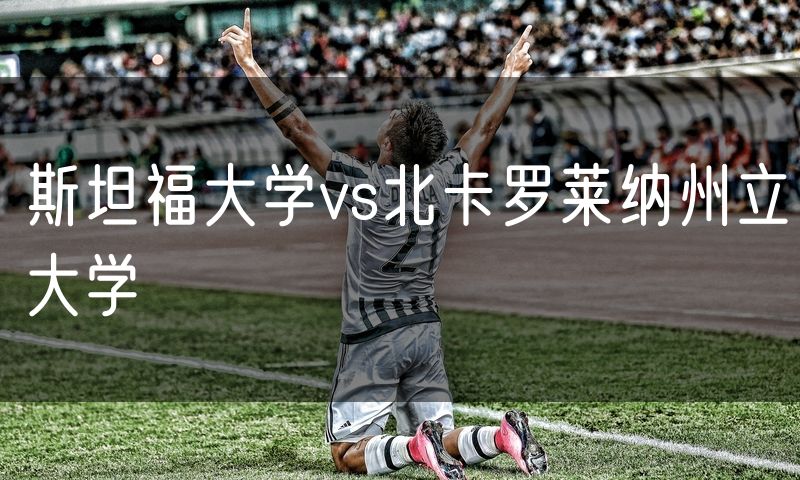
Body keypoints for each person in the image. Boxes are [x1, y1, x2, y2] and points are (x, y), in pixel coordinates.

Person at [220, 9, 547, 480]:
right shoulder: (444, 181)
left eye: (393, 118)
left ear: (390, 144)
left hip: (372, 336)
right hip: (424, 330)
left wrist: (250, 65)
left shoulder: (366, 183)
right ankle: (501, 437)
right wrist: (510, 73)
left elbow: (298, 130)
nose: (389, 115)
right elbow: (484, 129)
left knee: (346, 453)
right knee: (443, 437)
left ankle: (415, 448)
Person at [764, 88, 797, 210]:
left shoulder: (772, 107)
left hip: (771, 142)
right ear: (787, 97)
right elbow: (787, 126)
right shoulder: (784, 109)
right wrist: (794, 136)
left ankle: (771, 200)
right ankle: (779, 201)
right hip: (780, 142)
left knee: (773, 172)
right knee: (780, 172)